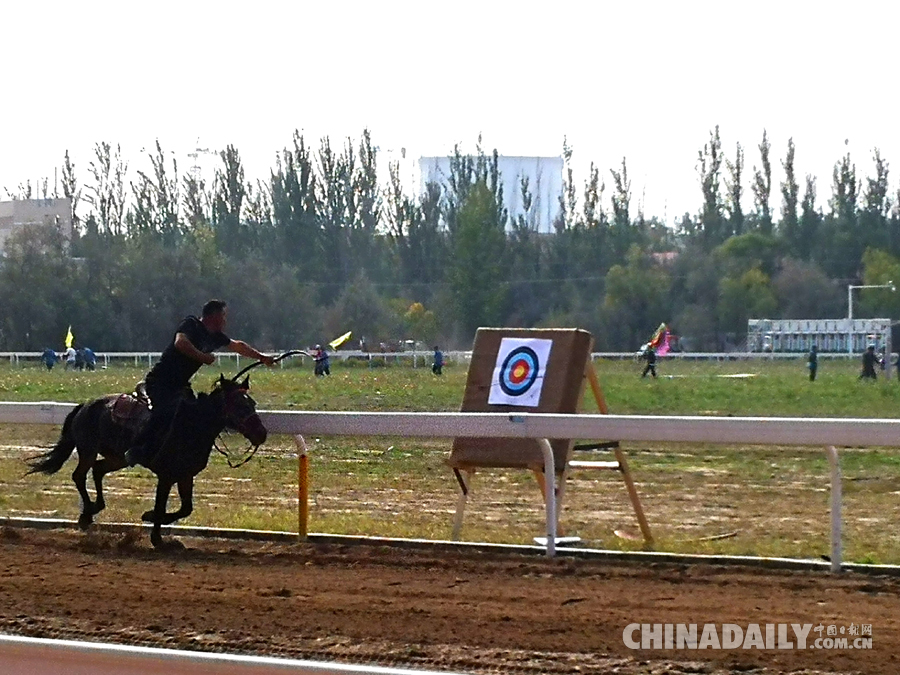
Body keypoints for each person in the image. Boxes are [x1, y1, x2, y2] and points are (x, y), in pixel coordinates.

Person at [125, 299, 274, 468]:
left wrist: (262, 357)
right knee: (165, 412)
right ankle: (137, 449)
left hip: (181, 387)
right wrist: (203, 357)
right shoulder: (191, 324)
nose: (225, 321)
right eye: (223, 316)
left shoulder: (216, 337)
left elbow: (238, 346)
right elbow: (180, 343)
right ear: (214, 316)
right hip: (159, 383)